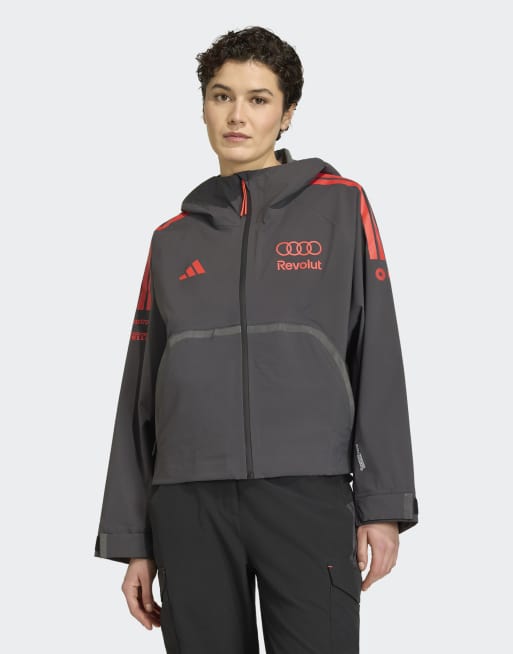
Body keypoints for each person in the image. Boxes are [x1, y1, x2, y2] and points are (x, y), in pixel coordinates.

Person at [94, 25, 419, 653]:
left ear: (287, 113)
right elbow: (141, 388)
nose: (237, 115)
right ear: (203, 107)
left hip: (307, 492)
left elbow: (377, 352)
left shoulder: (340, 207)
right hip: (187, 502)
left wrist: (383, 502)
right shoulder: (172, 239)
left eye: (258, 98)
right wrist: (132, 538)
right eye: (221, 96)